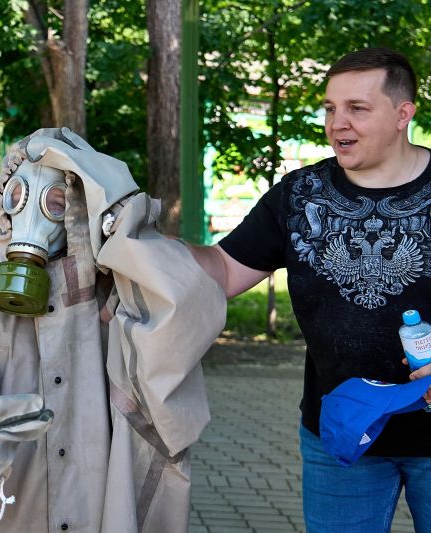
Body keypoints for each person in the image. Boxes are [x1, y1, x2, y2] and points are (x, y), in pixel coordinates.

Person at [0, 127, 226, 532]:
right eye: (18, 198)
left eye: (55, 203)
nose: (32, 217)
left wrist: (121, 221)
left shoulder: (120, 300)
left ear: (81, 208)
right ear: (4, 205)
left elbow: (185, 308)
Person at [190, 47, 431, 532]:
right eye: (330, 108)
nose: (337, 123)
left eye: (357, 108)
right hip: (340, 434)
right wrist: (141, 250)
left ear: (403, 114)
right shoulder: (300, 194)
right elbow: (224, 270)